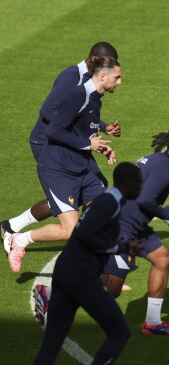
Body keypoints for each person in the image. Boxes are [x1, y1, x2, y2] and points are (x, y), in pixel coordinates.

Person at [1, 42, 121, 254]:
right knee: (68, 192)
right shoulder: (71, 77)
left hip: (68, 140)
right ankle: (75, 238)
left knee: (85, 189)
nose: (118, 81)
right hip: (47, 142)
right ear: (95, 62)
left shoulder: (92, 84)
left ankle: (12, 226)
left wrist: (101, 127)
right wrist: (84, 140)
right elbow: (49, 110)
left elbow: (81, 114)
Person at [33, 162, 145, 365]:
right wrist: (113, 248)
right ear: (128, 184)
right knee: (119, 332)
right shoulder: (109, 203)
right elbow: (84, 233)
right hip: (81, 276)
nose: (141, 187)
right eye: (139, 183)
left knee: (53, 341)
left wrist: (124, 248)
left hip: (66, 270)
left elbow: (92, 234)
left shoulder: (106, 201)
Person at [102, 125, 169, 335]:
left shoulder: (157, 159)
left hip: (133, 223)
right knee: (112, 290)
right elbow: (146, 198)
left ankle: (153, 322)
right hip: (124, 226)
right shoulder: (168, 167)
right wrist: (166, 214)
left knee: (163, 258)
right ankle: (54, 295)